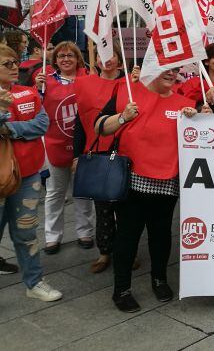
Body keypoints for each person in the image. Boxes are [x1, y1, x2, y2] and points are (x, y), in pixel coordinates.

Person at [96, 69, 197, 312]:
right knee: (128, 236)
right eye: (164, 69)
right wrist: (122, 117)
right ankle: (121, 289)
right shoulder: (127, 93)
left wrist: (198, 117)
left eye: (174, 70)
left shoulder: (186, 103)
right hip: (133, 180)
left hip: (167, 181)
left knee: (161, 235)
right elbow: (99, 126)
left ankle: (159, 279)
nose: (171, 74)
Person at [0, 44, 62, 301]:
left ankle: (34, 282)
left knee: (26, 232)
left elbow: (42, 124)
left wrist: (9, 129)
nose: (15, 68)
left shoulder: (28, 92)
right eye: (8, 64)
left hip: (28, 176)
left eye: (15, 62)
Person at [73, 41, 128, 274]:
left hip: (126, 152)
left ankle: (127, 251)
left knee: (126, 209)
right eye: (102, 55)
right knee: (103, 207)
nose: (107, 60)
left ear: (118, 57)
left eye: (111, 54)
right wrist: (77, 154)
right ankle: (105, 252)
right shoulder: (85, 85)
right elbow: (80, 121)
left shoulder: (130, 84)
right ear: (95, 60)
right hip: (97, 153)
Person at [36, 41, 93, 254]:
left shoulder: (88, 79)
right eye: (61, 56)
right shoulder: (45, 82)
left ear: (78, 58)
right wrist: (36, 89)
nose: (66, 59)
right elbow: (36, 107)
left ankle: (85, 231)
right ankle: (52, 236)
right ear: (55, 60)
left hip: (83, 146)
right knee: (54, 193)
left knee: (83, 192)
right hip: (55, 144)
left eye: (70, 55)